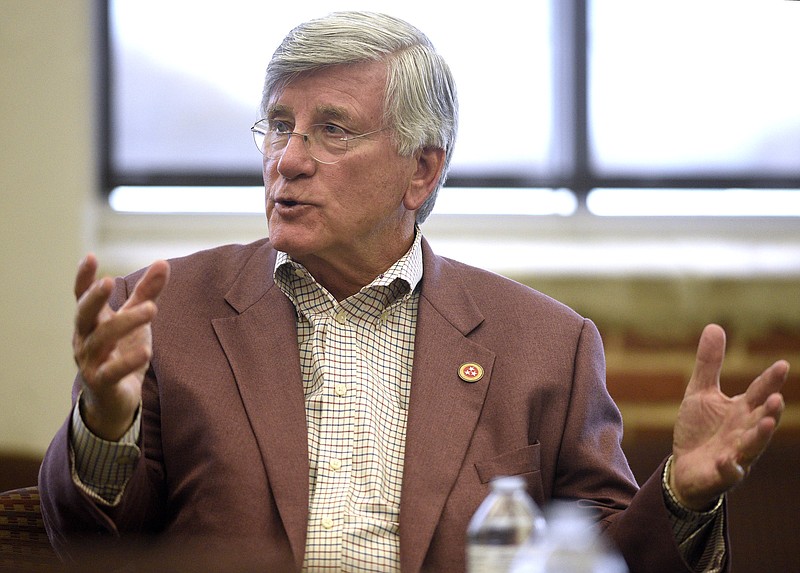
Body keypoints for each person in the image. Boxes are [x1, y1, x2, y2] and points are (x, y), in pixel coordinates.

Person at [38, 11, 789, 573]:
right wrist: (105, 422)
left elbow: (599, 558)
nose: (288, 160)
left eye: (331, 130)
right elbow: (86, 544)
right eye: (277, 126)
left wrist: (681, 496)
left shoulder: (546, 347)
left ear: (421, 170)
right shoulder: (166, 312)